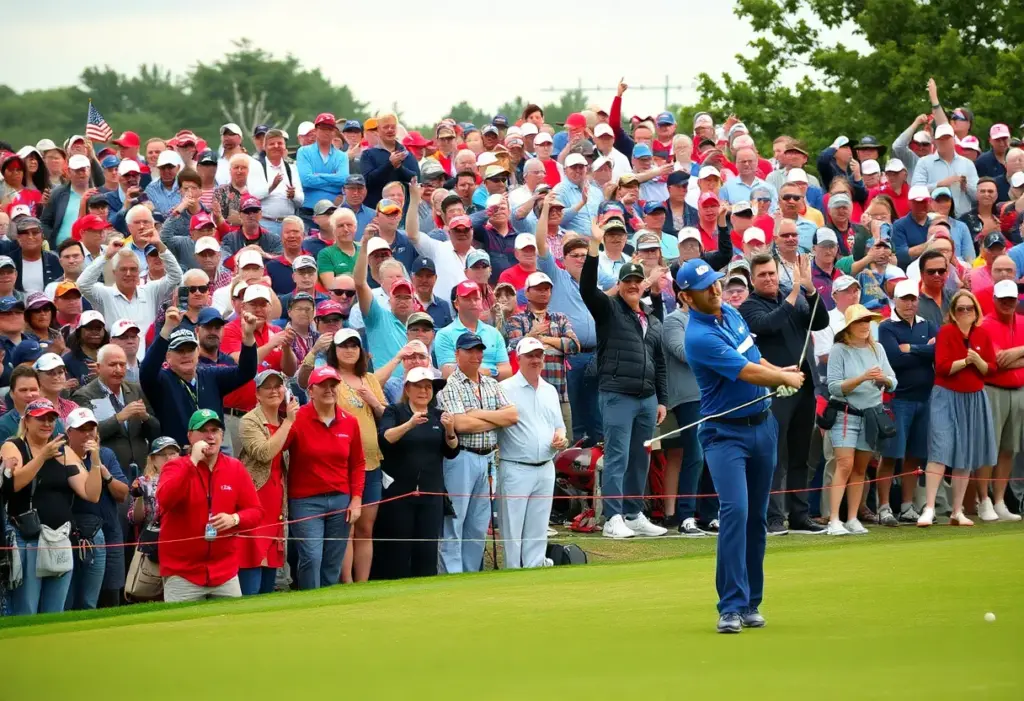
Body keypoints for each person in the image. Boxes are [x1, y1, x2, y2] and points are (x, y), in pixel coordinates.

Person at [677, 258, 805, 633]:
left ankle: (751, 603)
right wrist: (780, 376)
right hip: (724, 434)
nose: (715, 289)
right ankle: (730, 606)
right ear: (686, 297)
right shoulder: (698, 336)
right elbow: (745, 371)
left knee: (757, 517)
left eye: (716, 283)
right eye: (706, 288)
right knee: (736, 511)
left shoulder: (732, 314)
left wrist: (778, 377)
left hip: (762, 426)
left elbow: (754, 358)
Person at [580, 221, 669, 539]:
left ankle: (633, 513)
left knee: (640, 456)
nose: (632, 285)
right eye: (626, 281)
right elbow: (587, 289)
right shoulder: (608, 310)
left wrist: (662, 399)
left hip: (646, 397)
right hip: (617, 393)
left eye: (636, 280)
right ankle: (613, 517)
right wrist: (594, 245)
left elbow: (658, 360)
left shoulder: (649, 317)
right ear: (619, 285)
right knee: (617, 455)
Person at [739, 253, 829, 535]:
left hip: (803, 385)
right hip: (775, 388)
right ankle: (773, 516)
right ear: (753, 280)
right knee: (775, 455)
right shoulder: (749, 306)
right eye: (762, 275)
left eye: (771, 273)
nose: (768, 278)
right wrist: (794, 294)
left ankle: (800, 514)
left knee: (801, 454)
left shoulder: (796, 299)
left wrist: (811, 289)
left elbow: (820, 322)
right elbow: (768, 324)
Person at [1, 398, 102, 615]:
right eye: (41, 418)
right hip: (27, 536)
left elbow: (91, 493)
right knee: (26, 608)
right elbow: (14, 484)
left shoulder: (63, 451)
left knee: (55, 611)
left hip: (59, 538)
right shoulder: (14, 445)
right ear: (27, 421)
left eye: (51, 418)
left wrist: (95, 461)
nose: (47, 423)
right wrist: (42, 457)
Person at [156, 409, 262, 602]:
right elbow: (165, 500)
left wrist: (234, 519)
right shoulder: (175, 466)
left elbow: (256, 512)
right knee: (181, 630)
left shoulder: (235, 468)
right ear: (190, 436)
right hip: (183, 573)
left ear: (222, 435)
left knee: (231, 629)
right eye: (203, 431)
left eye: (215, 430)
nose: (210, 436)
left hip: (224, 572)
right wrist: (193, 462)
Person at [435, 332, 518, 573]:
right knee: (455, 520)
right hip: (461, 456)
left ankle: (471, 574)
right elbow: (460, 425)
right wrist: (495, 419)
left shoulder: (491, 383)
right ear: (457, 354)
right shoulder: (450, 385)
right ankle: (452, 575)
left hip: (489, 457)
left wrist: (477, 414)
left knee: (478, 523)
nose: (476, 355)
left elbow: (512, 416)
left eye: (479, 350)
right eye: (469, 350)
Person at [919, 290, 997, 527]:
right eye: (961, 308)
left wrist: (979, 362)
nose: (965, 312)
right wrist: (966, 361)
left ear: (976, 311)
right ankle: (930, 508)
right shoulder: (946, 332)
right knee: (940, 449)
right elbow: (942, 367)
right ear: (953, 312)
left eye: (969, 308)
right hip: (946, 396)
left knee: (966, 453)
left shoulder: (982, 334)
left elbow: (991, 369)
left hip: (974, 397)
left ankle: (957, 510)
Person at [374, 366, 460, 580]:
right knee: (398, 549)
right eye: (419, 387)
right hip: (399, 493)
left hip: (431, 493)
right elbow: (385, 439)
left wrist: (450, 431)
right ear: (408, 389)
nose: (424, 391)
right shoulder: (395, 411)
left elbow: (452, 451)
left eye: (428, 387)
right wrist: (409, 424)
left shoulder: (439, 416)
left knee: (427, 548)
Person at [283, 366, 365, 590]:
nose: (329, 390)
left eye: (333, 385)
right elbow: (279, 448)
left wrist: (356, 498)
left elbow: (357, 463)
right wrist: (286, 421)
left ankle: (328, 605)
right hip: (305, 501)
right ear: (311, 391)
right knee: (311, 557)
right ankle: (310, 603)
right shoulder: (298, 418)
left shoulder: (349, 421)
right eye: (323, 385)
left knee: (332, 561)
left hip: (340, 499)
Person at [824, 305, 897, 535]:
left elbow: (893, 381)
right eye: (860, 321)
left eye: (868, 321)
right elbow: (834, 387)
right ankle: (834, 519)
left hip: (871, 415)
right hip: (845, 415)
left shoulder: (878, 349)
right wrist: (863, 378)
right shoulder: (839, 349)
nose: (866, 325)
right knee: (844, 464)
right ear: (849, 327)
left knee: (860, 468)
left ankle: (853, 518)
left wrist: (882, 380)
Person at [139, 306, 258, 446]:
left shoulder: (211, 375)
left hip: (213, 451)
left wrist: (249, 336)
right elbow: (146, 371)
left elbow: (246, 372)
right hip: (178, 456)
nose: (186, 355)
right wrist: (167, 329)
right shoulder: (162, 381)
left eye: (190, 350)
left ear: (197, 353)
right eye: (180, 351)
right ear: (168, 357)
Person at [496, 337, 567, 568]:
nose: (536, 360)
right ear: (519, 358)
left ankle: (535, 567)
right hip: (516, 466)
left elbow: (559, 424)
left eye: (539, 355)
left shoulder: (549, 390)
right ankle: (513, 570)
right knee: (513, 527)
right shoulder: (505, 389)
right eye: (530, 356)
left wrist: (561, 437)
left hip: (546, 466)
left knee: (538, 526)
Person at [325, 328, 386, 583]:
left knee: (365, 528)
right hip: (342, 463)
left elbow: (385, 416)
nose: (349, 350)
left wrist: (372, 400)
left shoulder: (369, 379)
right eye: (343, 345)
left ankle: (362, 583)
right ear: (334, 350)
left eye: (354, 345)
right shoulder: (330, 379)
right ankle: (346, 583)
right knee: (346, 528)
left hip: (371, 462)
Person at [876, 279, 937, 526]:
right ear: (895, 301)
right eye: (905, 299)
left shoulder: (928, 325)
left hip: (925, 398)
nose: (910, 303)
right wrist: (924, 350)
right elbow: (894, 359)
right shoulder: (887, 327)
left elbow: (939, 351)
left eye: (913, 299)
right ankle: (883, 507)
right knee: (891, 455)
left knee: (915, 455)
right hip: (898, 399)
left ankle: (906, 505)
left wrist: (911, 347)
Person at [238, 370, 299, 596]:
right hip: (254, 498)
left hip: (277, 499)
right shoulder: (249, 421)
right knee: (251, 559)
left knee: (271, 564)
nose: (274, 391)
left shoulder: (286, 421)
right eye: (268, 387)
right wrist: (289, 423)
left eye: (278, 386)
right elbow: (264, 453)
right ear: (258, 394)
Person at [62, 407, 129, 611]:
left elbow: (122, 493)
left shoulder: (106, 454)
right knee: (74, 596)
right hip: (74, 534)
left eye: (92, 428)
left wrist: (103, 470)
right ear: (69, 433)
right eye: (82, 429)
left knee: (110, 592)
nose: (88, 433)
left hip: (108, 531)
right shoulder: (62, 456)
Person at [976, 280, 1024, 522]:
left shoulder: (1022, 322)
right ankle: (984, 501)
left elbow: (1008, 358)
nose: (1007, 303)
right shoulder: (984, 324)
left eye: (1011, 299)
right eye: (1002, 299)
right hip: (992, 389)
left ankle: (999, 501)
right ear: (994, 299)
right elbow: (996, 362)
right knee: (989, 448)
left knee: (1008, 449)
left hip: (1018, 391)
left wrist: (1017, 352)